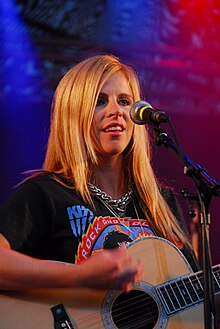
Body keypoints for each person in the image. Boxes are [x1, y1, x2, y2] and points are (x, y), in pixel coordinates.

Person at [0, 54, 198, 292]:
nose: (117, 111)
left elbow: (196, 297)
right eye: (100, 101)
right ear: (73, 114)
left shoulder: (160, 203)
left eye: (125, 101)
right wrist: (79, 276)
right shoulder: (46, 193)